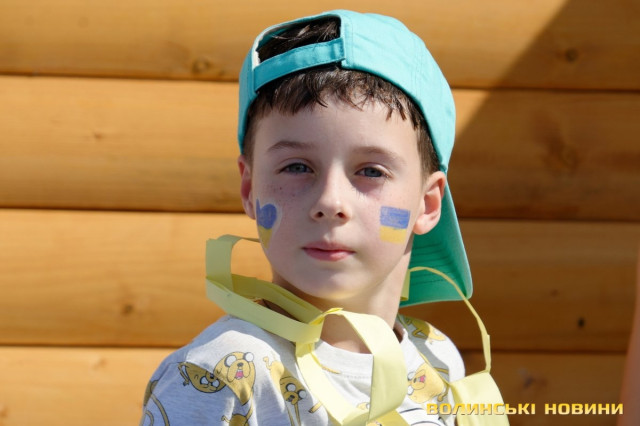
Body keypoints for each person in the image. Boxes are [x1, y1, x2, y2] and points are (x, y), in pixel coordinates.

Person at [141, 10, 495, 425]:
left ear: (428, 204)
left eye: (371, 171)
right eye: (296, 167)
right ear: (250, 189)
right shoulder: (222, 377)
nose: (330, 201)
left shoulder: (438, 358)